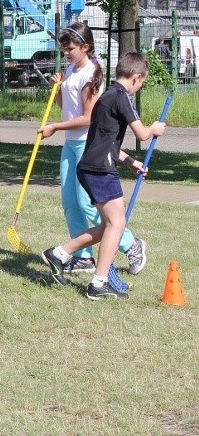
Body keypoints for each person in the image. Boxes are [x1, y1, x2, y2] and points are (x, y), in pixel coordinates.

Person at [41, 51, 166, 300]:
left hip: (90, 165)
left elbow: (106, 141)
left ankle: (60, 253)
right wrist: (154, 128)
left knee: (110, 225)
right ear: (136, 77)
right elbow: (142, 134)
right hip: (100, 169)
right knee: (117, 224)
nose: (138, 87)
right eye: (141, 83)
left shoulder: (106, 96)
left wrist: (130, 161)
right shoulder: (122, 97)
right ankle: (99, 284)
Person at [38, 23, 149, 276]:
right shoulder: (71, 70)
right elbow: (66, 105)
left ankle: (131, 245)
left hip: (88, 145)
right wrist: (57, 88)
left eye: (70, 49)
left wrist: (55, 127)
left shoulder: (91, 74)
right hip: (70, 143)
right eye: (63, 49)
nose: (65, 53)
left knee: (88, 205)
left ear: (85, 47)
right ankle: (83, 257)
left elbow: (88, 117)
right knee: (69, 203)